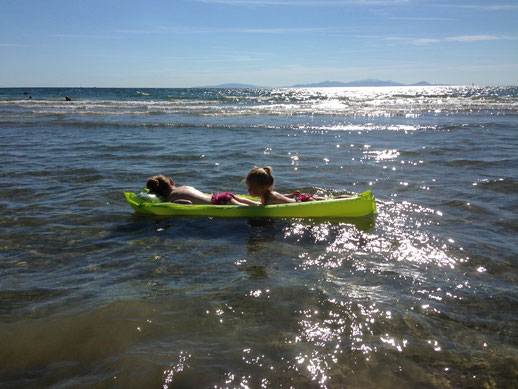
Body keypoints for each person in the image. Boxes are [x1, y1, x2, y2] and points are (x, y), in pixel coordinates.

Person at [245, 166, 354, 205]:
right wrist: (292, 195)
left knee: (330, 201)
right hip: (300, 199)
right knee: (329, 199)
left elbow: (278, 198)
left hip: (304, 202)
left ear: (263, 187)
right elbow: (282, 197)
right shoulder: (269, 194)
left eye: (251, 188)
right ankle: (354, 198)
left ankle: (354, 199)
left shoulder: (269, 197)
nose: (249, 190)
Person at [146, 175, 258, 206]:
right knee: (242, 200)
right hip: (219, 195)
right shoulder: (184, 187)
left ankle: (259, 208)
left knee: (244, 208)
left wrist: (170, 203)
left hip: (217, 202)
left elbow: (188, 203)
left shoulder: (172, 197)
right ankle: (259, 203)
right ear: (172, 182)